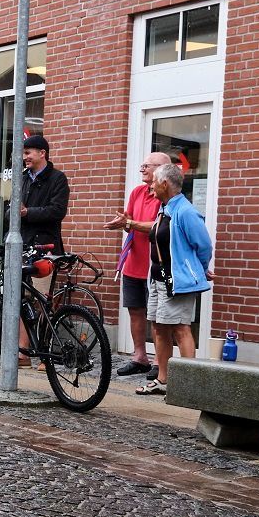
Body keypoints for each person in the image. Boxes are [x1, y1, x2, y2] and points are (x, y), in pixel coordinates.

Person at [136, 163, 213, 396]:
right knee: (159, 327)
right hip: (159, 279)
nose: (151, 187)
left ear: (165, 184)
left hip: (177, 280)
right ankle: (163, 380)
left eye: (154, 183)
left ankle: (190, 385)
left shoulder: (185, 211)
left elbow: (204, 245)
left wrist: (200, 268)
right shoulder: (165, 208)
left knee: (180, 327)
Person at [105, 152, 172, 379]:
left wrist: (130, 223)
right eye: (142, 165)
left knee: (156, 316)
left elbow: (157, 226)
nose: (142, 169)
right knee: (135, 311)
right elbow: (130, 222)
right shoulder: (136, 192)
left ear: (162, 168)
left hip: (155, 264)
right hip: (133, 262)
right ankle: (140, 357)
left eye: (147, 166)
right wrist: (123, 224)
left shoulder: (166, 196)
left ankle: (158, 361)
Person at [19, 135, 69, 255]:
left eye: (27, 153)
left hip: (45, 250)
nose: (24, 157)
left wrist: (27, 212)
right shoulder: (22, 179)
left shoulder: (58, 178)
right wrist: (13, 212)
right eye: (23, 154)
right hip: (22, 247)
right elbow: (9, 211)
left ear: (42, 153)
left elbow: (57, 211)